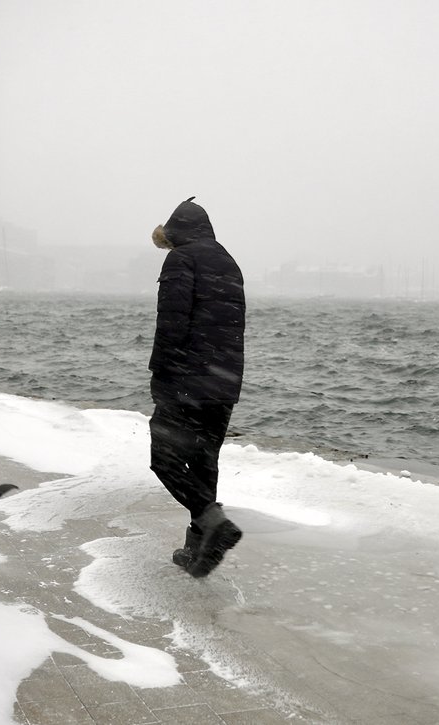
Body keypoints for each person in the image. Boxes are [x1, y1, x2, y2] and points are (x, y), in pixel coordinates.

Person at [149, 197, 246, 578]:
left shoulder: (180, 259)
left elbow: (171, 324)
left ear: (175, 232)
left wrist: (161, 375)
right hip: (225, 381)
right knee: (205, 461)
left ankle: (212, 522)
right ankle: (199, 550)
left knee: (164, 458)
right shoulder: (229, 262)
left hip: (186, 380)